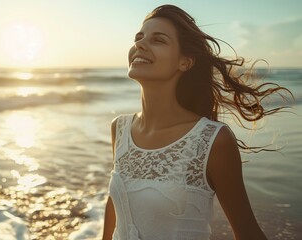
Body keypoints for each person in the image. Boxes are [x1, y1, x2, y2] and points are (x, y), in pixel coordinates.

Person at [102, 4, 294, 240]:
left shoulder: (212, 140)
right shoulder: (120, 129)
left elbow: (248, 233)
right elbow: (116, 207)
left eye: (158, 40)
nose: (140, 44)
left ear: (185, 62)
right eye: (139, 37)